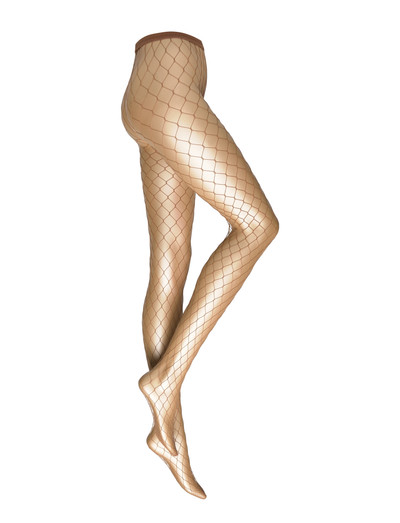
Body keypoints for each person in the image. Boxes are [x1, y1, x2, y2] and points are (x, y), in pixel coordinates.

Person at [121, 31, 279, 499]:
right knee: (257, 225)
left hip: (148, 95)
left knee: (170, 262)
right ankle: (165, 380)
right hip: (168, 94)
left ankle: (170, 436)